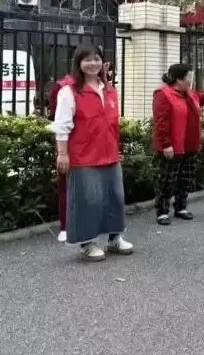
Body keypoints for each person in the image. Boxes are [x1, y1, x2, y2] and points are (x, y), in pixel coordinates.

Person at [51, 44, 133, 261]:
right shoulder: (69, 92)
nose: (93, 63)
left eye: (97, 59)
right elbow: (62, 125)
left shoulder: (110, 90)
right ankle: (87, 243)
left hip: (109, 154)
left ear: (103, 62)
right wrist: (62, 153)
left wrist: (116, 149)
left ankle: (115, 238)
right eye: (87, 59)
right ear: (78, 63)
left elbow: (112, 125)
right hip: (83, 156)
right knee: (88, 200)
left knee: (114, 197)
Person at [152, 63, 204, 225]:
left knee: (186, 178)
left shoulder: (190, 94)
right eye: (188, 77)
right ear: (178, 80)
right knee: (167, 180)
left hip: (190, 145)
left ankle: (181, 207)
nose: (190, 80)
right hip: (172, 146)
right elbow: (161, 122)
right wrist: (166, 144)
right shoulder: (163, 94)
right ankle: (162, 211)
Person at [48, 73, 76, 243]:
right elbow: (55, 114)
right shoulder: (64, 87)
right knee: (66, 185)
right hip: (67, 142)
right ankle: (65, 226)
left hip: (90, 146)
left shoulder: (102, 86)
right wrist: (62, 152)